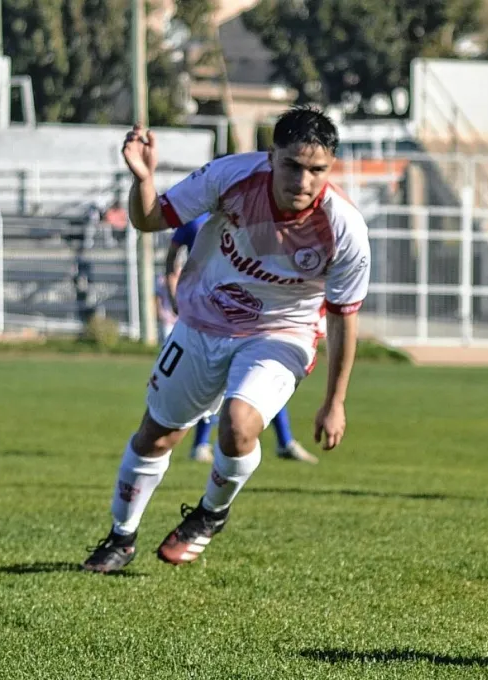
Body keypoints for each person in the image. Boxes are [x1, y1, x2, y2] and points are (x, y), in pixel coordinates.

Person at [82, 105, 371, 573]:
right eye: (293, 166)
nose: (304, 180)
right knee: (157, 435)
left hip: (283, 333)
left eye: (317, 170)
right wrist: (142, 179)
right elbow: (150, 219)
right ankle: (121, 537)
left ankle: (210, 513)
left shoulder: (345, 228)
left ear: (330, 168)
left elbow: (343, 318)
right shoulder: (231, 176)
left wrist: (335, 401)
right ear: (271, 155)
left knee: (239, 425)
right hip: (203, 322)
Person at [164, 212, 320, 465]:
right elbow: (171, 259)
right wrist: (174, 298)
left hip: (250, 316)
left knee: (260, 378)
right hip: (207, 315)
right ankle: (200, 445)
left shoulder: (252, 213)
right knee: (213, 384)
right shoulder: (196, 221)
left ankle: (285, 441)